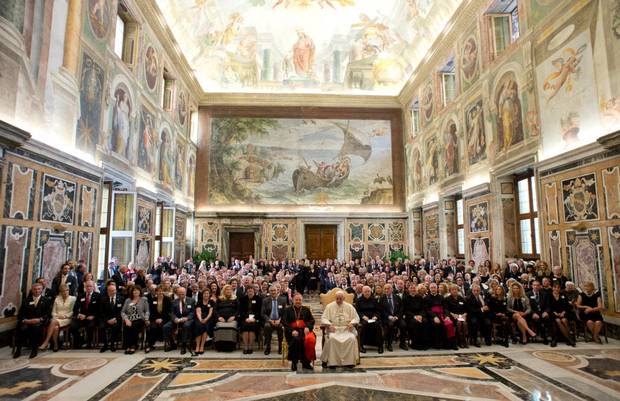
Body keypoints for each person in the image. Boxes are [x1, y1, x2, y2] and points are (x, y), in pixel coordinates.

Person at [14, 282, 52, 358]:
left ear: (42, 290)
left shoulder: (46, 300)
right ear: (32, 290)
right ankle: (18, 349)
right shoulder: (26, 300)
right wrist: (25, 320)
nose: (37, 291)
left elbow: (48, 314)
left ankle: (34, 350)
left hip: (39, 322)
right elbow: (21, 314)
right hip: (27, 321)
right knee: (21, 327)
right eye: (35, 289)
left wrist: (40, 319)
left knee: (36, 328)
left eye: (39, 289)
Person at [283, 293, 316, 371]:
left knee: (309, 339)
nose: (298, 301)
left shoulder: (306, 309)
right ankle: (294, 362)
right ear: (293, 300)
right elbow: (284, 322)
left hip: (304, 331)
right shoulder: (288, 310)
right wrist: (292, 330)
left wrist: (308, 327)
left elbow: (312, 320)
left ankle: (306, 362)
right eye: (296, 300)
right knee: (296, 340)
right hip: (292, 332)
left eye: (299, 300)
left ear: (302, 300)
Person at [40, 284, 76, 351]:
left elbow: (73, 311)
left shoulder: (73, 299)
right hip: (56, 318)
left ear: (69, 290)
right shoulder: (57, 298)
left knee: (53, 321)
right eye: (63, 291)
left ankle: (46, 342)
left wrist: (64, 316)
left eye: (67, 290)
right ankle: (56, 345)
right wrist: (56, 316)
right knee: (55, 327)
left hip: (67, 319)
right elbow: (53, 311)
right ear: (60, 292)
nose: (65, 292)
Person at [164, 286, 195, 355]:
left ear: (185, 293)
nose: (181, 295)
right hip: (177, 319)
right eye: (180, 294)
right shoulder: (174, 301)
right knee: (166, 327)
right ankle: (172, 344)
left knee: (186, 325)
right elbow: (172, 313)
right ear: (177, 294)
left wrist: (187, 318)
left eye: (183, 294)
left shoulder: (191, 300)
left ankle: (183, 345)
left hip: (187, 319)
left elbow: (192, 312)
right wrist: (175, 318)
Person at [121, 285, 149, 354]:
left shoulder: (144, 299)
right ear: (132, 292)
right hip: (129, 319)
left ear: (140, 291)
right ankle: (128, 346)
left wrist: (146, 319)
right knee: (126, 326)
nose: (135, 291)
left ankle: (134, 345)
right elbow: (123, 312)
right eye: (134, 290)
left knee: (134, 325)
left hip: (140, 318)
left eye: (137, 290)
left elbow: (147, 311)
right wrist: (126, 319)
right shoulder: (128, 300)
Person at [71, 280, 99, 348]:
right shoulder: (81, 296)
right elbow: (75, 308)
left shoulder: (97, 296)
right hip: (82, 317)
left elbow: (100, 309)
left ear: (93, 287)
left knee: (90, 326)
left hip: (92, 318)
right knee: (73, 326)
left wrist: (94, 316)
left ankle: (88, 343)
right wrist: (79, 315)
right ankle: (80, 341)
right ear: (85, 287)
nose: (89, 288)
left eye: (90, 286)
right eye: (87, 286)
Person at [355, 286, 383, 353]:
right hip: (364, 318)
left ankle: (380, 346)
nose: (367, 293)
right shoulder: (358, 300)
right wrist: (363, 316)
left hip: (373, 318)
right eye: (365, 291)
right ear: (362, 292)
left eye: (368, 291)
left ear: (371, 292)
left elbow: (378, 311)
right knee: (363, 326)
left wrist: (375, 316)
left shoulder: (374, 300)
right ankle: (361, 345)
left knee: (377, 326)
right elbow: (357, 311)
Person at [378, 283, 405, 351]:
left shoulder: (397, 297)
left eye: (388, 288)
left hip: (397, 317)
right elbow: (381, 310)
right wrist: (389, 316)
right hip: (387, 318)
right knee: (390, 325)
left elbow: (401, 309)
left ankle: (402, 343)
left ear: (392, 289)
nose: (387, 290)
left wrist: (397, 317)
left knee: (403, 325)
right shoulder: (382, 299)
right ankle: (389, 344)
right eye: (385, 289)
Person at [547, 282, 575, 347]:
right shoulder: (549, 295)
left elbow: (567, 306)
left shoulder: (563, 295)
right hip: (553, 313)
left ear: (560, 288)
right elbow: (548, 306)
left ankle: (569, 338)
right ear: (552, 288)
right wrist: (555, 313)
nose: (556, 289)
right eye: (555, 287)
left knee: (564, 320)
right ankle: (569, 339)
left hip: (563, 313)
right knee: (558, 321)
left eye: (558, 288)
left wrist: (563, 312)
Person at [261, 285, 286, 355]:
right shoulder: (265, 300)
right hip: (269, 321)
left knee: (281, 327)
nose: (273, 292)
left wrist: (280, 320)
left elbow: (285, 313)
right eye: (271, 291)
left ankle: (280, 347)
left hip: (279, 321)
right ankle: (268, 347)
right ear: (269, 292)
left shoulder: (283, 300)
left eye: (274, 290)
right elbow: (263, 313)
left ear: (277, 291)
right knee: (267, 327)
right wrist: (270, 320)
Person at [99, 281, 124, 353]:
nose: (112, 292)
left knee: (115, 327)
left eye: (114, 290)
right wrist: (107, 320)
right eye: (110, 291)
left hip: (116, 319)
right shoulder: (103, 299)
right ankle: (105, 344)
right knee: (102, 327)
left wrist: (115, 319)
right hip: (106, 319)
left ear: (116, 290)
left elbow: (122, 311)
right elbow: (101, 312)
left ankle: (112, 344)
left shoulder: (121, 298)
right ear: (107, 291)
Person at [402, 284, 429, 350]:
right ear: (408, 290)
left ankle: (424, 343)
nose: (412, 290)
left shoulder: (419, 297)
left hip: (420, 315)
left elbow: (423, 309)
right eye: (411, 288)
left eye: (414, 288)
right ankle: (415, 344)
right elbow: (405, 310)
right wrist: (414, 316)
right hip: (410, 317)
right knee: (415, 323)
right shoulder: (405, 298)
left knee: (425, 322)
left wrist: (420, 315)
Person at [214, 284, 239, 352]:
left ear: (232, 291)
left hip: (232, 319)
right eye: (227, 289)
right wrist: (219, 317)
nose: (228, 291)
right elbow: (215, 310)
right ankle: (220, 346)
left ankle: (230, 346)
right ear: (224, 291)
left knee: (232, 326)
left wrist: (234, 317)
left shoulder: (235, 299)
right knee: (219, 326)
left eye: (229, 289)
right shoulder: (219, 299)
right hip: (221, 319)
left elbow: (238, 310)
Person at [146, 285, 171, 353]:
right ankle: (150, 345)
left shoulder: (168, 299)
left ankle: (166, 343)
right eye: (158, 291)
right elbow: (151, 312)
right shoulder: (153, 300)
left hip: (165, 319)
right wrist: (156, 319)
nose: (160, 292)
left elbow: (169, 312)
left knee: (162, 326)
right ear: (156, 292)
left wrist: (162, 319)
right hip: (154, 319)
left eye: (161, 290)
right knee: (152, 327)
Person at [239, 286, 262, 354]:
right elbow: (241, 311)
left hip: (255, 319)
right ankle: (246, 346)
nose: (250, 292)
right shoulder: (243, 299)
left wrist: (254, 319)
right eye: (248, 291)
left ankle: (250, 346)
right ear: (247, 292)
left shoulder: (258, 299)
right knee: (245, 326)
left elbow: (259, 311)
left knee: (252, 327)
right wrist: (246, 318)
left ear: (254, 291)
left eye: (251, 291)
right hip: (245, 319)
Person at [445, 284, 468, 348]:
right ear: (450, 291)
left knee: (465, 323)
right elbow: (446, 309)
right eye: (453, 289)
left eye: (456, 289)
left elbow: (466, 308)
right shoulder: (447, 299)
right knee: (459, 323)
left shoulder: (461, 298)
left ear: (458, 290)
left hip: (461, 316)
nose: (454, 291)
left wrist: (464, 314)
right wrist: (452, 314)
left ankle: (464, 340)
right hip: (453, 316)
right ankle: (459, 341)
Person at [527, 280, 550, 344]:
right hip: (533, 313)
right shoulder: (528, 294)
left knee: (548, 318)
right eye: (534, 285)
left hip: (542, 312)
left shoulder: (544, 294)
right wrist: (533, 313)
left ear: (540, 286)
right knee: (537, 319)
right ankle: (544, 336)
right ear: (532, 286)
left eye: (537, 285)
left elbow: (548, 306)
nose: (536, 287)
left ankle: (554, 337)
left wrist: (546, 312)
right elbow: (527, 306)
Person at [194, 288, 214, 355]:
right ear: (202, 295)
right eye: (205, 293)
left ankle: (202, 346)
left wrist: (205, 319)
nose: (206, 295)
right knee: (198, 326)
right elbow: (198, 312)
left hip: (208, 318)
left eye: (207, 294)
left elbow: (210, 313)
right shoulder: (199, 302)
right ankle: (197, 346)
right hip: (199, 318)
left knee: (205, 326)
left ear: (209, 295)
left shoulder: (211, 302)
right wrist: (201, 319)